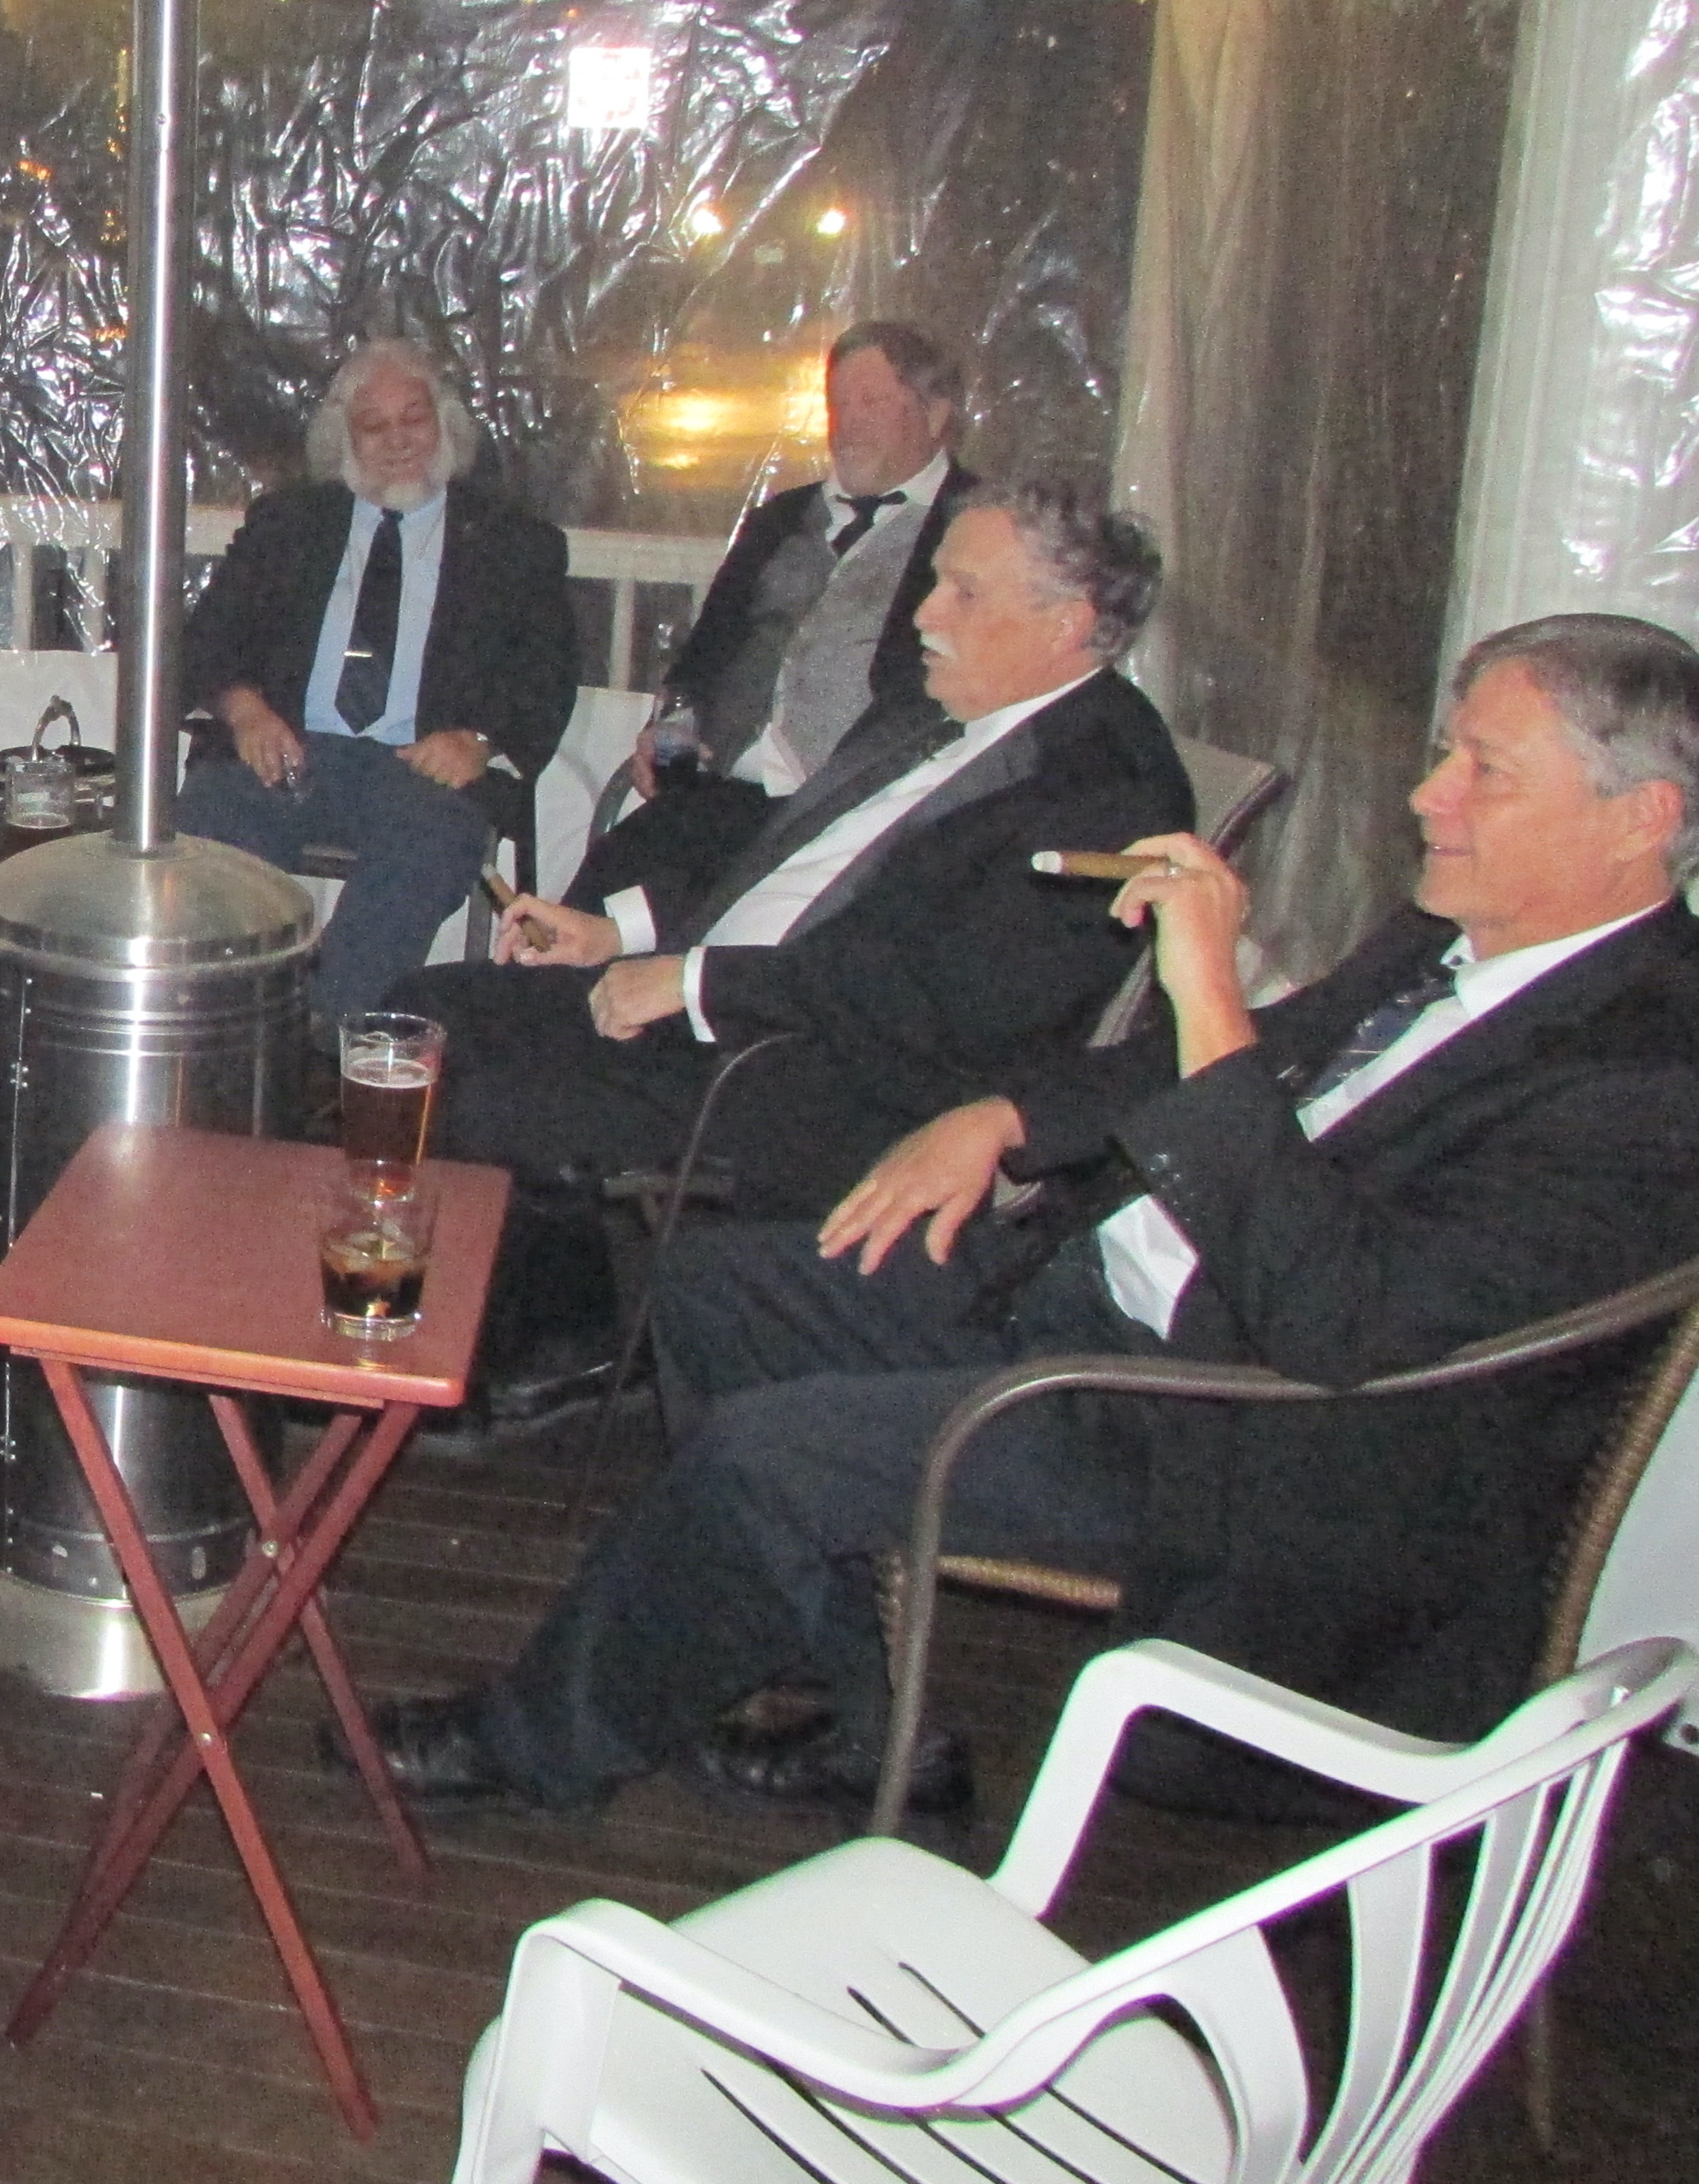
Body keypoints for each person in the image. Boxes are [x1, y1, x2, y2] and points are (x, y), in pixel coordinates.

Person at [350, 613, 1699, 1823]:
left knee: (768, 1458)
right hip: (1091, 1294)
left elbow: (1339, 1320)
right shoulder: (1462, 944)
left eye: (1484, 770)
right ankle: (875, 1722)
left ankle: (533, 1746)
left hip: (1217, 1427)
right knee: (718, 1287)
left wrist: (1205, 990)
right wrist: (1007, 1119)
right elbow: (1204, 1075)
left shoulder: (1654, 1093)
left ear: (1639, 819)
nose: (1429, 797)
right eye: (1445, 753)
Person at [403, 481, 1190, 1434]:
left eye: (964, 593)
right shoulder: (931, 707)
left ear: (1067, 625)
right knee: (420, 1018)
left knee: (496, 1101)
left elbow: (946, 1002)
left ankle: (542, 1354)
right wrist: (621, 933)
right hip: (740, 1000)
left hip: (834, 1076)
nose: (925, 615)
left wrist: (696, 983)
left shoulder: (1104, 789)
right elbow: (790, 859)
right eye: (935, 582)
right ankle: (542, 1318)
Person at [173, 340, 580, 1034]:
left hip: (419, 769)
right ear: (345, 438)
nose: (398, 441)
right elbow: (205, 640)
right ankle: (234, 1034)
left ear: (445, 422)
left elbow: (547, 674)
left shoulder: (513, 542)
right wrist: (245, 712)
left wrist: (479, 740)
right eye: (374, 425)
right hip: (288, 750)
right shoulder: (288, 525)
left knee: (424, 851)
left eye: (414, 418)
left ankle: (330, 1040)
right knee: (212, 828)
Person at [588, 322, 976, 914]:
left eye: (871, 402)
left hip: (850, 819)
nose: (848, 424)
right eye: (838, 404)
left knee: (694, 931)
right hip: (715, 795)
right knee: (578, 916)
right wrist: (670, 741)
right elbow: (701, 660)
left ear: (936, 412)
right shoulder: (781, 519)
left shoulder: (976, 527)